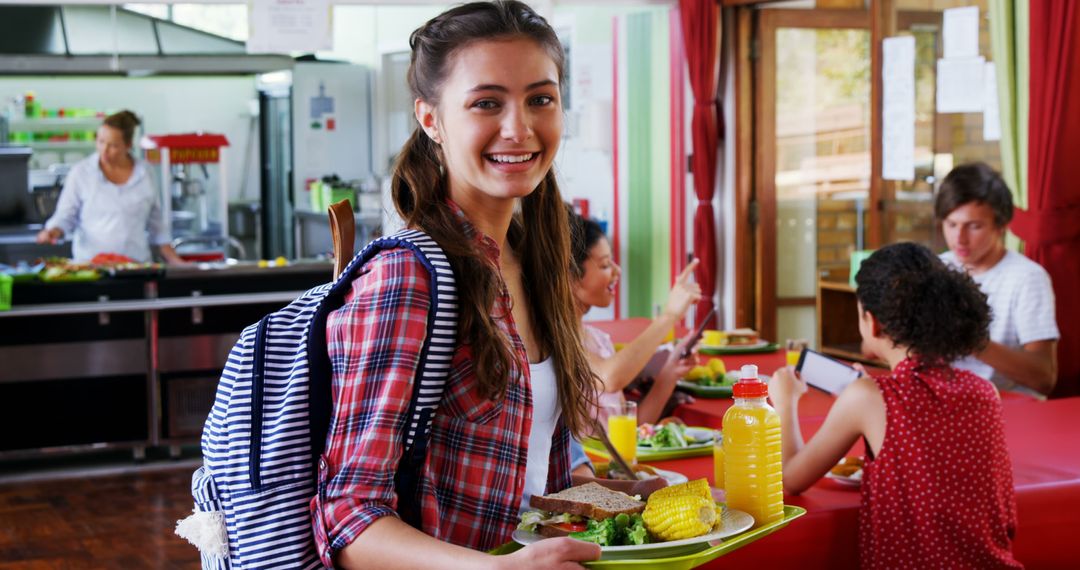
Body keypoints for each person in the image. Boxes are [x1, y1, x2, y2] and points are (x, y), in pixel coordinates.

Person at [311, 3, 603, 568]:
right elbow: (348, 519)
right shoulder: (408, 277)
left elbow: (539, 459)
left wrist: (627, 500)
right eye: (486, 103)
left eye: (540, 98)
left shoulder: (533, 257)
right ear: (431, 119)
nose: (519, 128)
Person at [769, 242, 1021, 569]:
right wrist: (861, 390)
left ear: (871, 322)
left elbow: (792, 479)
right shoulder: (985, 391)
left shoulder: (868, 397)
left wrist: (786, 403)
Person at [936, 162, 1059, 397]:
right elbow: (871, 348)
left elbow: (1044, 378)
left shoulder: (1027, 278)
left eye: (974, 226)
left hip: (1006, 409)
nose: (959, 238)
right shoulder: (935, 268)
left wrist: (972, 341)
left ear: (1001, 226)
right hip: (945, 405)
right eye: (951, 224)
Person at [568, 208, 701, 425]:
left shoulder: (598, 339)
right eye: (604, 264)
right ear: (570, 274)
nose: (616, 271)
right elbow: (609, 378)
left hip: (617, 459)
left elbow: (630, 428)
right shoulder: (553, 339)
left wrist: (670, 372)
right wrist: (669, 315)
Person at [35, 110, 185, 264]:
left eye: (113, 145)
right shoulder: (81, 173)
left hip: (136, 267)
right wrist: (53, 231)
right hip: (91, 268)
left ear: (128, 145)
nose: (104, 150)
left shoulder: (146, 173)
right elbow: (65, 216)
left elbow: (158, 227)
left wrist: (177, 262)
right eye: (100, 141)